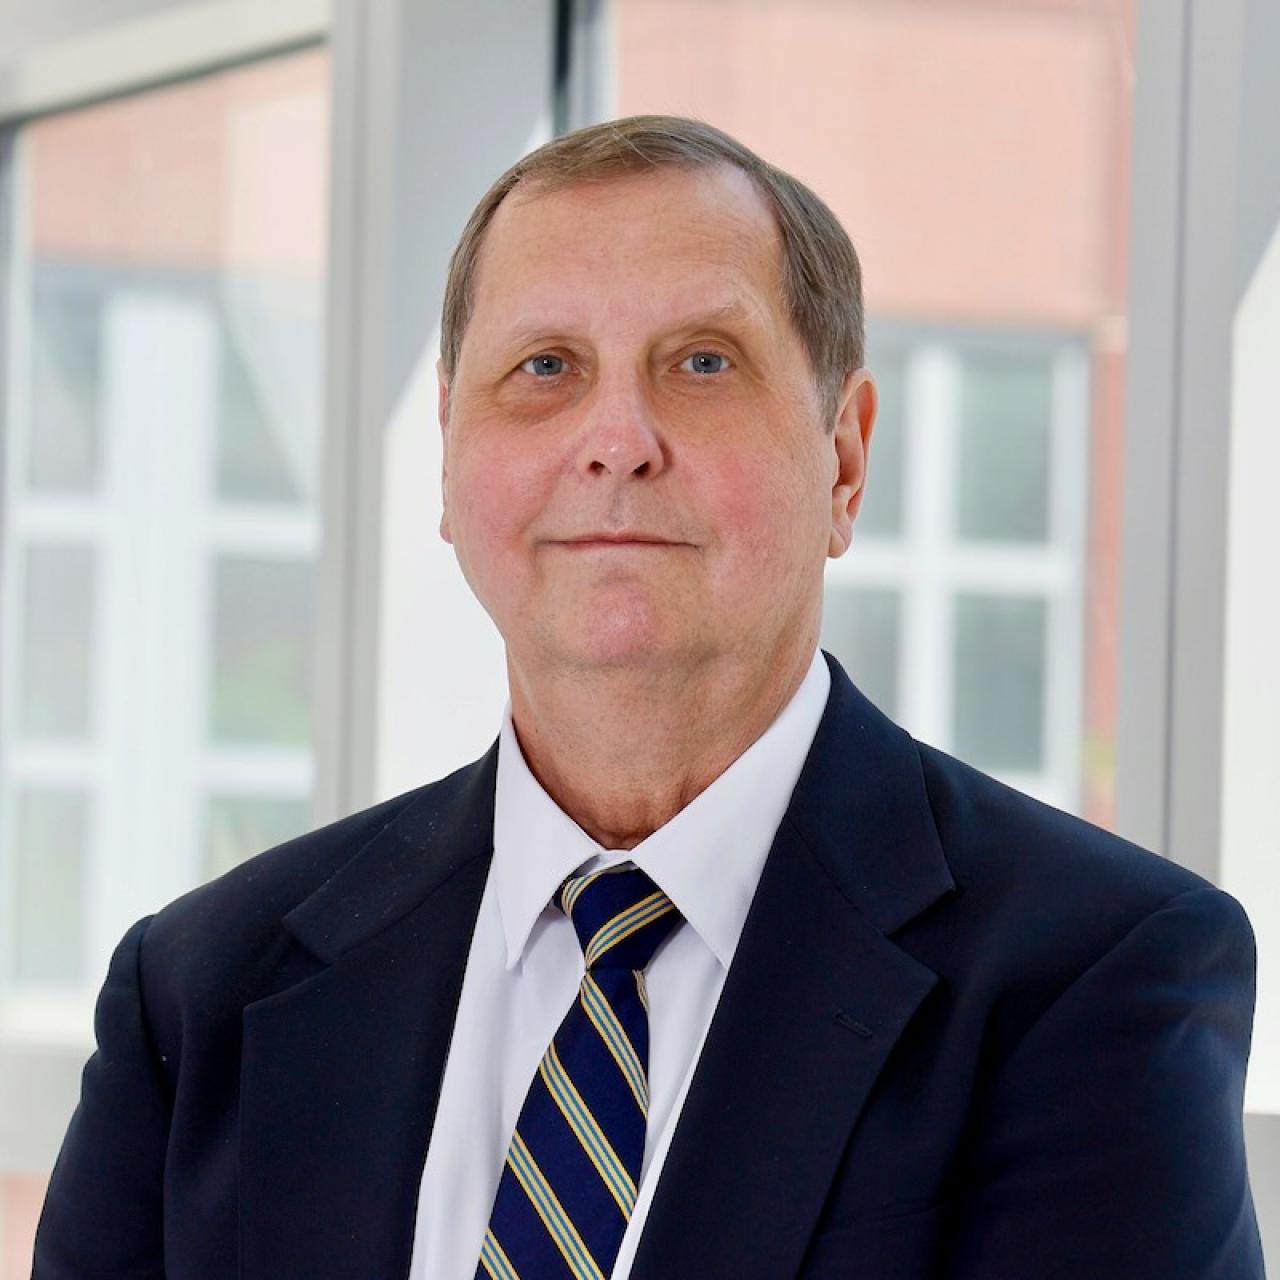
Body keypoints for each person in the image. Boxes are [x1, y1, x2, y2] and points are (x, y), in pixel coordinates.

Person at [33, 115, 1263, 1280]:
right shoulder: (199, 995)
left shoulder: (1091, 977)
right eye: (544, 365)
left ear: (842, 456)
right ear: (451, 465)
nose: (615, 437)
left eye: (701, 362)